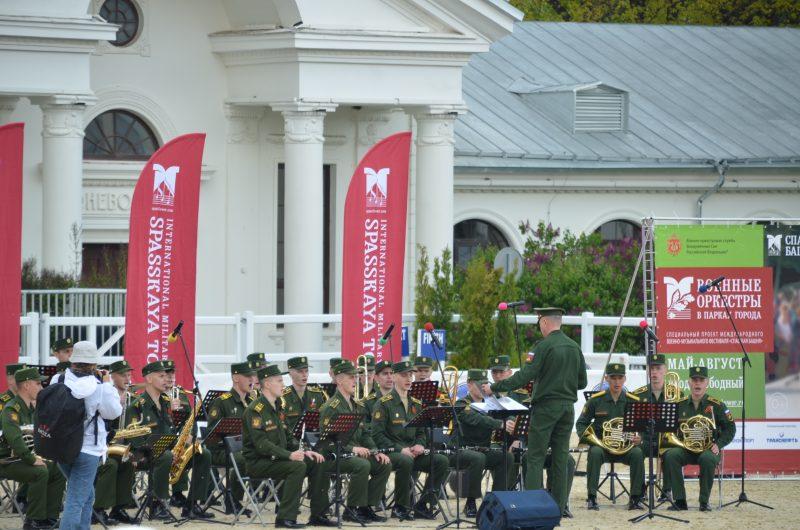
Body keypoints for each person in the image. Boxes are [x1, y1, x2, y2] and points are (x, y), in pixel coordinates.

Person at [482, 307, 587, 514]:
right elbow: (582, 382)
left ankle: (533, 506)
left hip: (546, 408)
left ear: (545, 322)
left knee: (535, 457)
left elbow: (524, 376)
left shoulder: (543, 346)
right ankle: (558, 507)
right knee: (560, 456)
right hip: (567, 408)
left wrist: (494, 387)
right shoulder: (575, 347)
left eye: (539, 322)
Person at [127, 360, 213, 520]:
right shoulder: (137, 405)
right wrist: (163, 451)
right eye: (161, 376)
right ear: (149, 379)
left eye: (167, 375)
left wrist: (183, 442)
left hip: (163, 451)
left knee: (203, 453)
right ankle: (158, 504)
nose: (167, 379)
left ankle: (192, 505)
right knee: (165, 456)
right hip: (139, 454)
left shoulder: (166, 403)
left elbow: (169, 431)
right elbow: (134, 439)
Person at [243, 363, 325, 529]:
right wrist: (289, 455)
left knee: (316, 462)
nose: (283, 385)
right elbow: (262, 445)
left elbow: (288, 437)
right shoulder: (255, 410)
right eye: (280, 381)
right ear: (267, 384)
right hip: (258, 462)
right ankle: (285, 518)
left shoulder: (278, 406)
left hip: (276, 459)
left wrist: (304, 451)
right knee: (296, 467)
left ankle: (318, 514)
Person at [371, 360, 448, 521]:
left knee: (441, 461)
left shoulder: (416, 403)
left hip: (413, 452)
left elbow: (421, 431)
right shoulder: (383, 404)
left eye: (410, 375)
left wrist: (420, 444)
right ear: (395, 376)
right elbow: (377, 435)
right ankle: (400, 506)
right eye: (404, 375)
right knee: (405, 461)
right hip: (393, 452)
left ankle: (423, 504)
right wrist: (400, 449)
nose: (409, 379)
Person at [57, 341, 123, 530]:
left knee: (86, 493)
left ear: (73, 360)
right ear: (93, 364)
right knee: (76, 498)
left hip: (60, 446)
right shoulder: (99, 387)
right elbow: (114, 412)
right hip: (87, 449)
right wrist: (108, 384)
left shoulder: (58, 380)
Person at [316, 360, 391, 524]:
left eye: (355, 377)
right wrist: (353, 448)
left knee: (384, 464)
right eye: (351, 377)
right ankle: (352, 509)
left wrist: (375, 450)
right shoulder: (331, 406)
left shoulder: (356, 405)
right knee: (362, 465)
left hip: (353, 454)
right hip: (333, 456)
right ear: (339, 380)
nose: (355, 381)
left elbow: (365, 434)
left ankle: (366, 507)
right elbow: (328, 440)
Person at [0, 367, 66, 530]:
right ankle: (33, 520)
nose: (41, 388)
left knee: (58, 470)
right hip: (7, 460)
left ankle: (49, 517)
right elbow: (15, 441)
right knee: (40, 472)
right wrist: (32, 459)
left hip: (22, 458)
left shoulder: (31, 409)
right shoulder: (11, 409)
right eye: (38, 384)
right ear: (27, 385)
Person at [663, 366, 736, 512]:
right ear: (689, 382)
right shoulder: (679, 404)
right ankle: (680, 500)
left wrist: (719, 444)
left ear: (707, 382)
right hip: (686, 449)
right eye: (694, 380)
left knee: (707, 459)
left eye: (701, 380)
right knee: (671, 455)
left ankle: (704, 502)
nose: (697, 384)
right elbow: (670, 429)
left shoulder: (717, 405)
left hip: (709, 450)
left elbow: (730, 428)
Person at [576, 363, 645, 511]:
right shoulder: (596, 400)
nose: (617, 382)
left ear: (625, 379)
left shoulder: (633, 400)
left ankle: (635, 498)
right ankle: (592, 497)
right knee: (594, 453)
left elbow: (644, 426)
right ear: (607, 378)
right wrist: (590, 440)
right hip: (602, 447)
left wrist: (640, 437)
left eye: (620, 378)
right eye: (613, 378)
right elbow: (581, 424)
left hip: (625, 448)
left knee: (638, 453)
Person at [455, 369, 515, 517]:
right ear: (469, 384)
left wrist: (511, 421)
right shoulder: (462, 403)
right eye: (479, 384)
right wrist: (500, 424)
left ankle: (496, 501)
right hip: (461, 450)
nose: (483, 388)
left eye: (485, 384)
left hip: (483, 449)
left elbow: (509, 413)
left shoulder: (491, 403)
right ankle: (471, 501)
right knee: (478, 458)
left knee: (506, 457)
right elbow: (476, 419)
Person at [206, 360, 260, 514]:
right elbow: (212, 436)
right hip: (222, 451)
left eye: (253, 377)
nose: (252, 380)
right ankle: (233, 501)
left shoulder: (253, 402)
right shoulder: (222, 402)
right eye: (247, 376)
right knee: (243, 458)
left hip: (244, 450)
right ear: (236, 378)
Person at [631, 353, 681, 501]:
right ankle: (640, 491)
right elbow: (632, 422)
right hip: (645, 441)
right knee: (636, 453)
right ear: (647, 371)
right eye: (651, 368)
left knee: (670, 452)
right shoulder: (637, 395)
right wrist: (636, 437)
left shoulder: (676, 394)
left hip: (666, 441)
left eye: (658, 368)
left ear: (665, 370)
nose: (654, 372)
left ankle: (667, 490)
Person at [93, 359, 137, 524]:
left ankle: (118, 509)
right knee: (110, 465)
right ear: (112, 376)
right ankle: (98, 509)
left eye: (129, 374)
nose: (127, 378)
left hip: (121, 448)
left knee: (128, 461)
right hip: (101, 448)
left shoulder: (133, 399)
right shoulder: (105, 394)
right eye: (123, 375)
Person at [281, 356, 328, 433]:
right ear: (290, 374)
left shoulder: (317, 394)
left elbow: (324, 419)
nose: (304, 375)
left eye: (306, 371)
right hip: (291, 441)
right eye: (300, 371)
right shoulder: (283, 397)